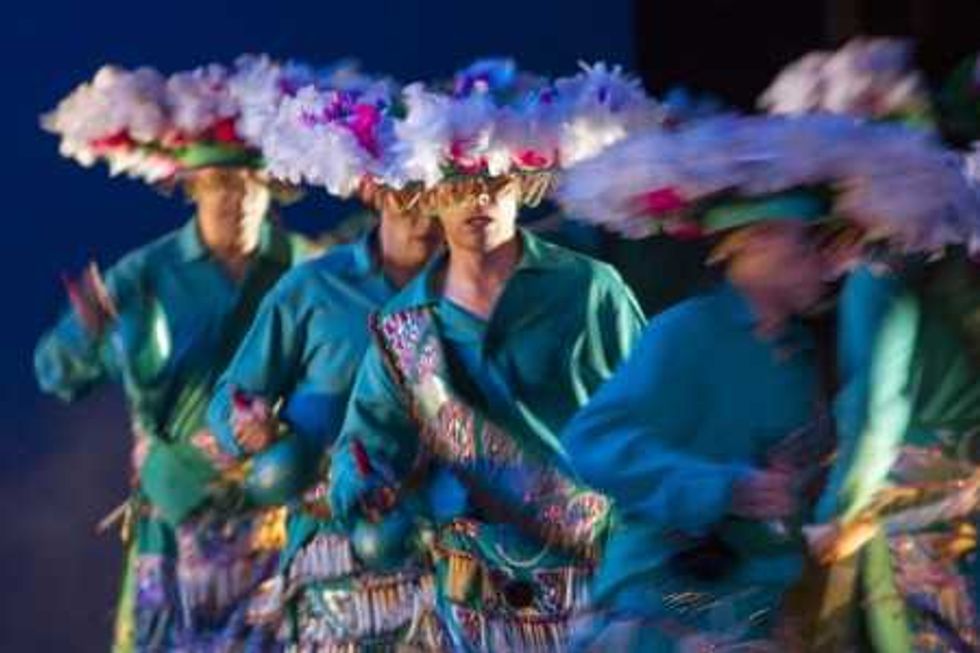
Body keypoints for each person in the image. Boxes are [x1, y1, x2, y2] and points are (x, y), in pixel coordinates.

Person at [555, 113, 980, 651]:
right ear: (755, 241)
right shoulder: (688, 332)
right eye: (809, 242)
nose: (827, 263)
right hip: (666, 605)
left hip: (755, 609)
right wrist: (720, 487)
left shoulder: (802, 356)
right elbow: (591, 442)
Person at [328, 63, 649, 652]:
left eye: (493, 179)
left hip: (591, 570)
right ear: (429, 194)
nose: (477, 196)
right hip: (469, 585)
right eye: (456, 183)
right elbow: (364, 443)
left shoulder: (591, 290)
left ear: (522, 182)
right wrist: (362, 483)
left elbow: (655, 417)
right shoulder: (404, 325)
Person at [35, 61, 312, 652]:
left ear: (270, 187)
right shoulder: (148, 272)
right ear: (190, 188)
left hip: (276, 511)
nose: (232, 200)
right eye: (215, 186)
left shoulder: (306, 267)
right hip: (176, 508)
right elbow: (55, 372)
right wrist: (86, 328)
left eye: (246, 186)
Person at [208, 74, 448, 650]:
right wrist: (250, 427)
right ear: (372, 188)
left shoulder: (474, 295)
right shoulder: (312, 289)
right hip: (332, 550)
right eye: (404, 186)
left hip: (447, 546)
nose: (420, 204)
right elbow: (229, 399)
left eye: (436, 188)